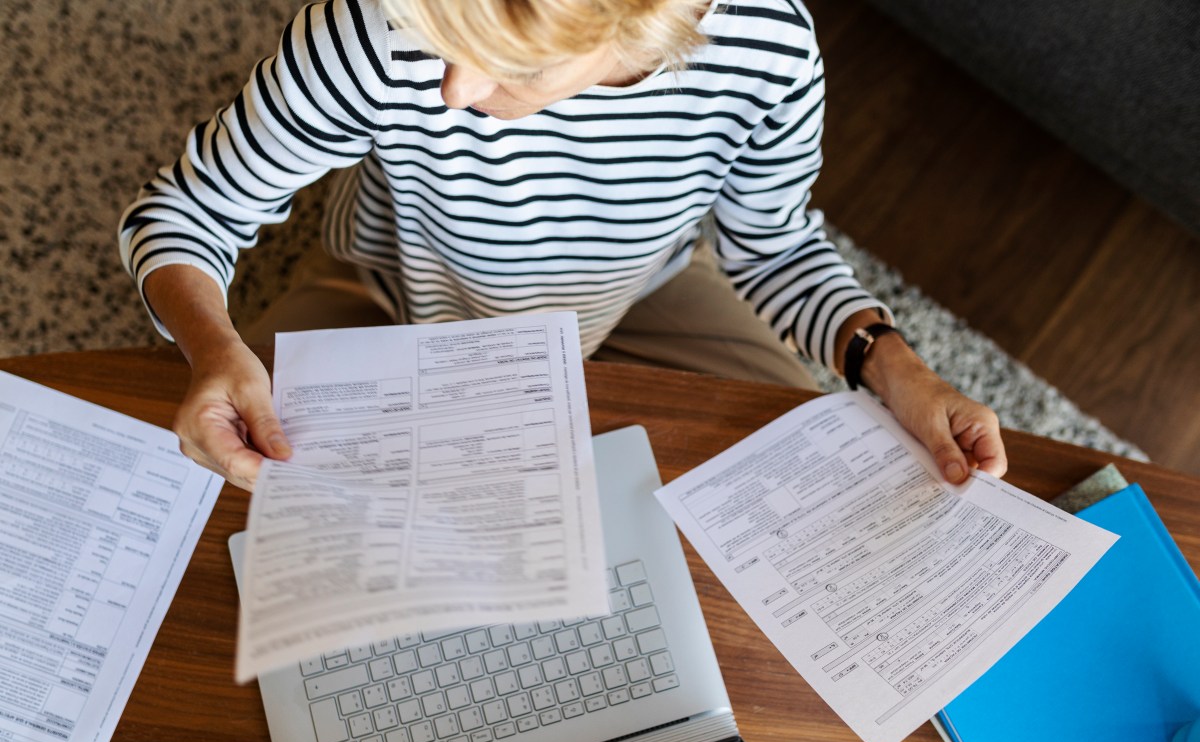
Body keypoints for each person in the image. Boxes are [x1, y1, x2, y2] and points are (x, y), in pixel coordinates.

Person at [119, 0, 1007, 493]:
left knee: (812, 475)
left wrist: (897, 368)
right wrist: (212, 344)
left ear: (645, 24)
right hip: (393, 292)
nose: (457, 90)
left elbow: (771, 246)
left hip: (646, 296)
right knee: (232, 496)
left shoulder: (768, 48)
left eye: (509, 65)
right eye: (445, 43)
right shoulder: (371, 32)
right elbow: (185, 212)